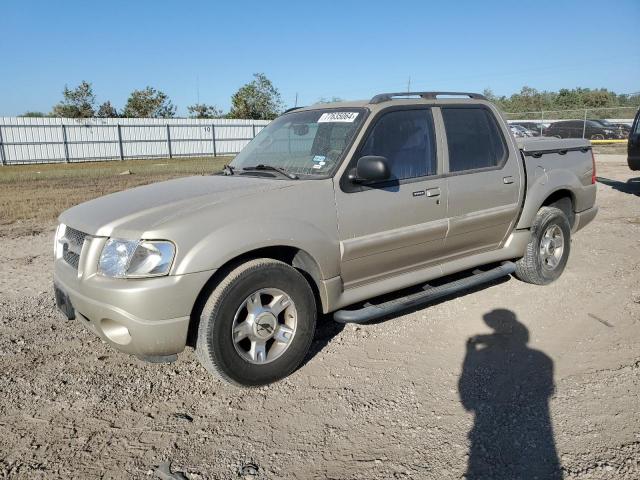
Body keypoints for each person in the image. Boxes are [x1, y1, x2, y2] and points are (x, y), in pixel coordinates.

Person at [459, 309, 561, 479]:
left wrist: (470, 352)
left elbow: (467, 397)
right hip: (538, 427)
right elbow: (548, 389)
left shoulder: (540, 359)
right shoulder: (542, 358)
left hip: (489, 425)